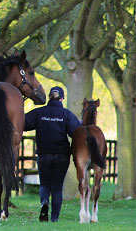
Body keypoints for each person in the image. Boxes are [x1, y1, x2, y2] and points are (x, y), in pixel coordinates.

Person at [24, 86, 80, 222]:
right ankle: (54, 219)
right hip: (62, 156)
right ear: (62, 99)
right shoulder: (67, 114)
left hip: (44, 155)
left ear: (49, 97)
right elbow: (76, 132)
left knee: (44, 184)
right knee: (57, 188)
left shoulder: (38, 113)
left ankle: (44, 202)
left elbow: (23, 124)